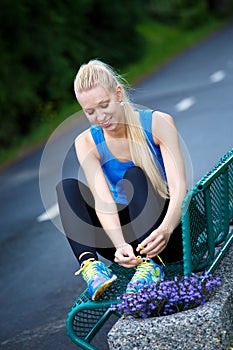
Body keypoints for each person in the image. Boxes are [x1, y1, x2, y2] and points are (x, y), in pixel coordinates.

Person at [56, 59, 187, 300]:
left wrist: (166, 229)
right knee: (67, 188)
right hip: (128, 240)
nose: (100, 117)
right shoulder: (86, 143)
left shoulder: (158, 123)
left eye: (104, 105)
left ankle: (152, 265)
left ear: (118, 94)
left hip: (165, 235)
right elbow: (104, 201)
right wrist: (119, 245)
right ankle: (92, 270)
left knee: (134, 174)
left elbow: (179, 188)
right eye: (90, 112)